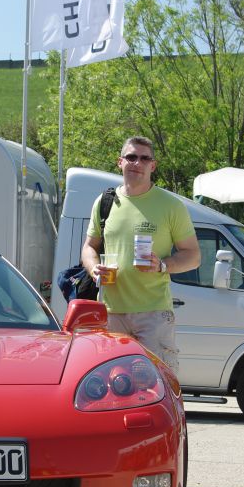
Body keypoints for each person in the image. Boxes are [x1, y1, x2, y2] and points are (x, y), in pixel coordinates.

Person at [81, 136, 200, 374]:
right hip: (111, 312)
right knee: (111, 385)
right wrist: (94, 268)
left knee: (156, 384)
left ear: (152, 166)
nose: (137, 163)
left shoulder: (171, 206)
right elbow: (89, 247)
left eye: (145, 158)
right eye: (131, 157)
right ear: (120, 162)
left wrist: (163, 265)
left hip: (153, 314)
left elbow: (194, 256)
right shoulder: (104, 203)